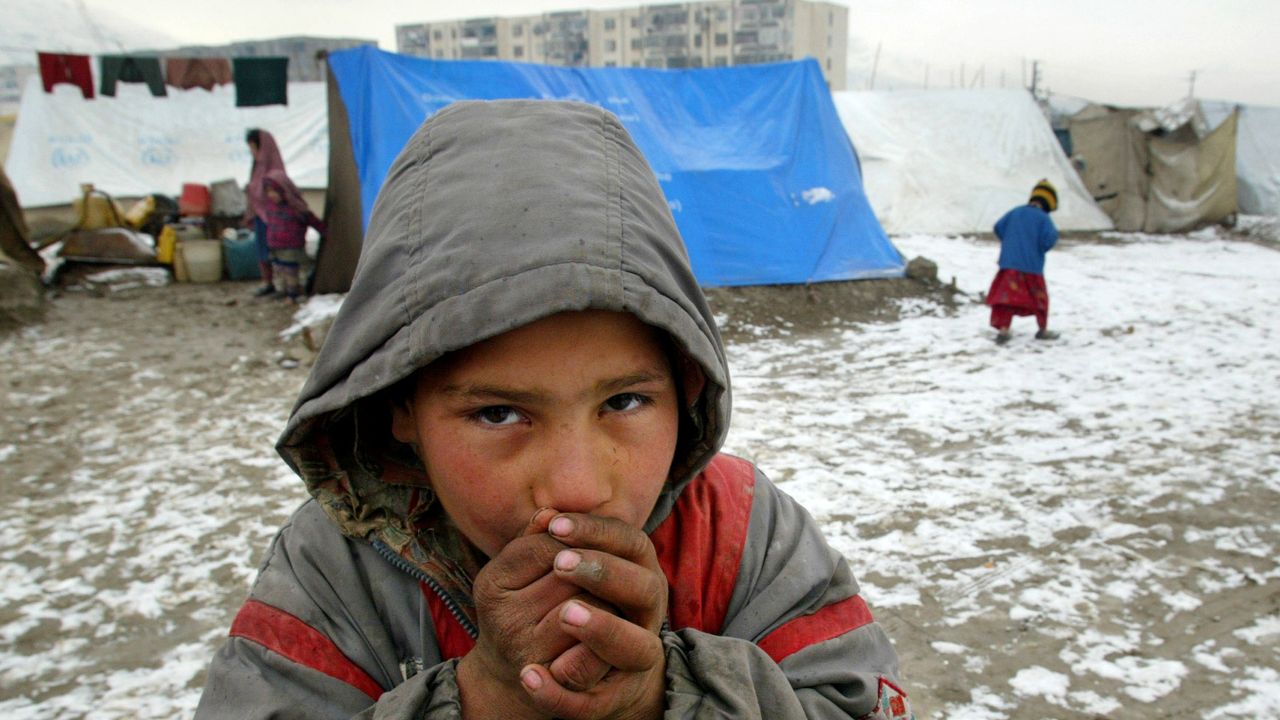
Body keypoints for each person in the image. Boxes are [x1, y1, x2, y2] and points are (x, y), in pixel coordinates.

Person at [196, 100, 911, 720]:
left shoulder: (745, 534)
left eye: (625, 401)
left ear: (687, 386)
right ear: (397, 406)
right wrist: (485, 700)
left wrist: (668, 698)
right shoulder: (336, 570)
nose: (575, 488)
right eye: (500, 414)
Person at [986, 179, 1061, 345]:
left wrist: (1010, 242)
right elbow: (1048, 241)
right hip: (1031, 267)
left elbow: (998, 227)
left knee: (1006, 299)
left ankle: (1004, 330)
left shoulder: (1015, 212)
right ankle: (1042, 329)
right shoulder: (1044, 219)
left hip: (1009, 265)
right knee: (1039, 299)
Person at [243, 128, 298, 297]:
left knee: (278, 252)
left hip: (275, 217)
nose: (251, 151)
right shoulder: (257, 166)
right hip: (261, 215)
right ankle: (267, 282)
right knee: (262, 249)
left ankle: (286, 288)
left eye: (253, 146)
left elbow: (275, 189)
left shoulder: (273, 167)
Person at [260, 169, 323, 304]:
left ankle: (293, 294)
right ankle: (284, 291)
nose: (271, 195)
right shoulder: (271, 207)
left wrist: (324, 230)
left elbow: (311, 219)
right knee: (280, 269)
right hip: (275, 246)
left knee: (291, 271)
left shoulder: (296, 207)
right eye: (268, 191)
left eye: (274, 191)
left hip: (291, 247)